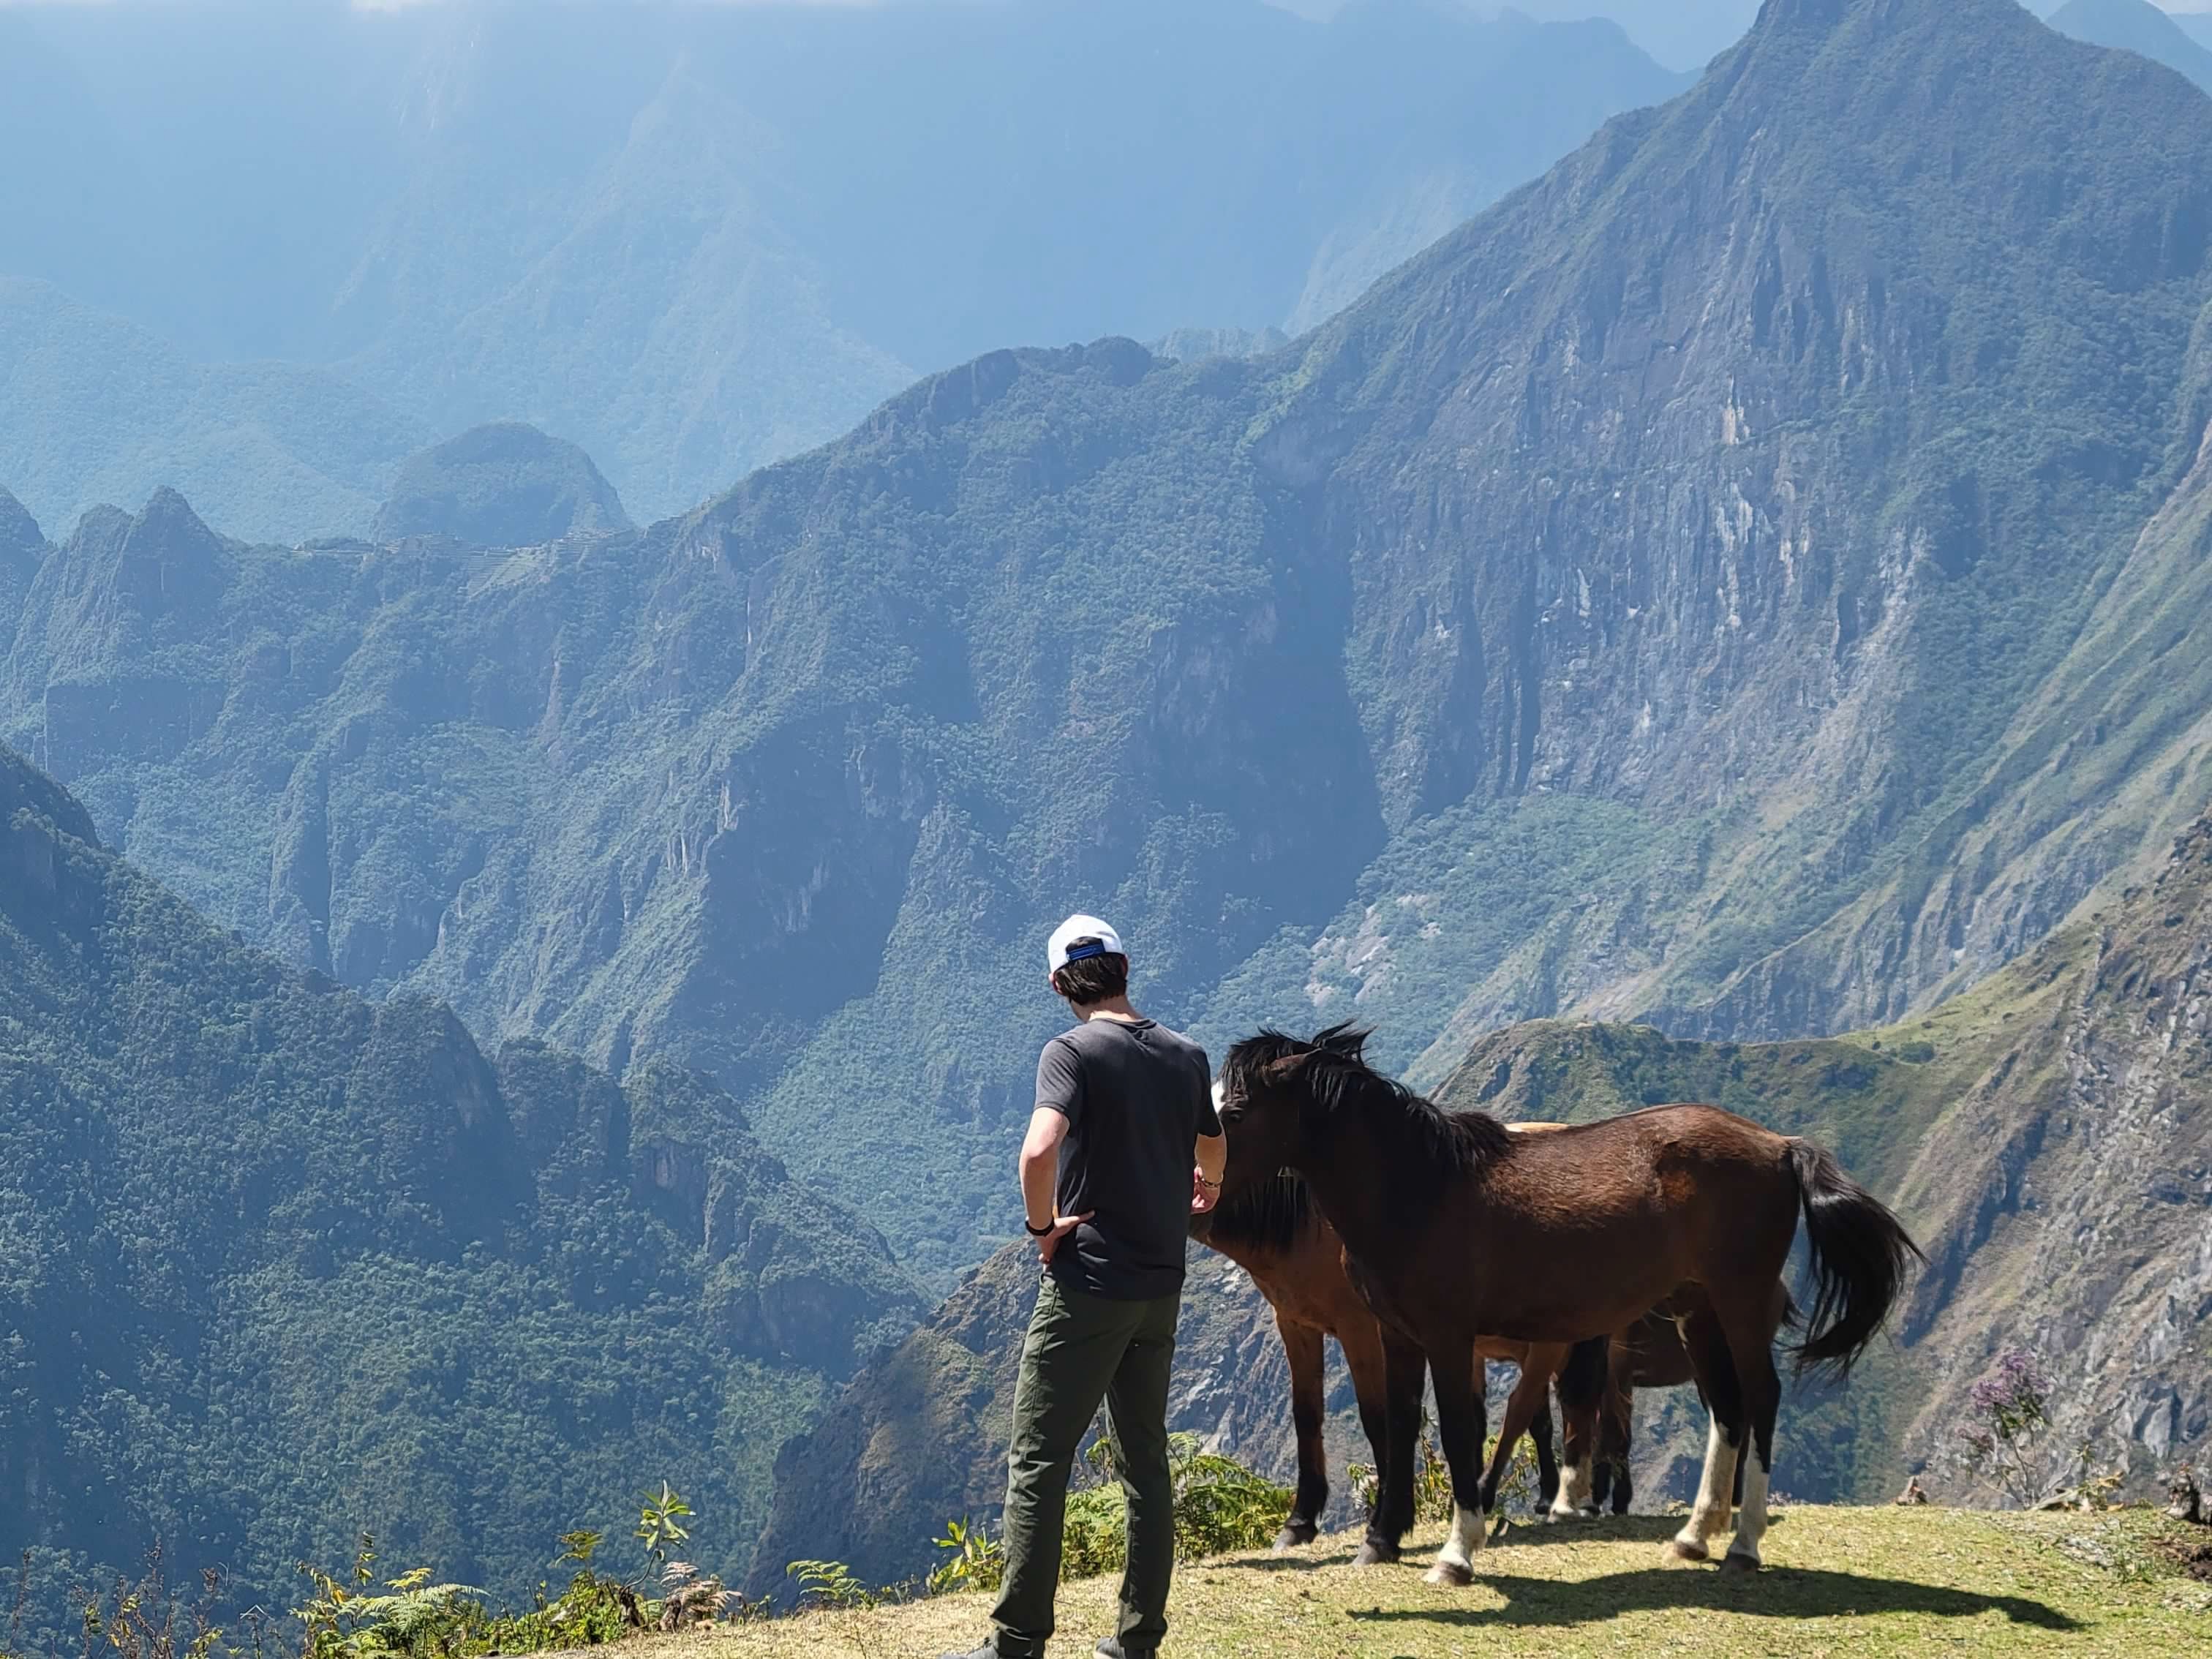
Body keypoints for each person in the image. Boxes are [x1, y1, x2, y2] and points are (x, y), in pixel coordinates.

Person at [942, 914, 1227, 1659]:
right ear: (1126, 967)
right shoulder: (1187, 1053)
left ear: (1058, 985)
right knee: (1144, 1459)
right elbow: (1214, 1142)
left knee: (1040, 1457)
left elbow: (1038, 1151)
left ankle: (1017, 1641)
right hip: (1161, 1285)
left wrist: (1044, 1229)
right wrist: (1210, 1185)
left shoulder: (1071, 1051)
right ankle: (1138, 1640)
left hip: (1087, 1284)